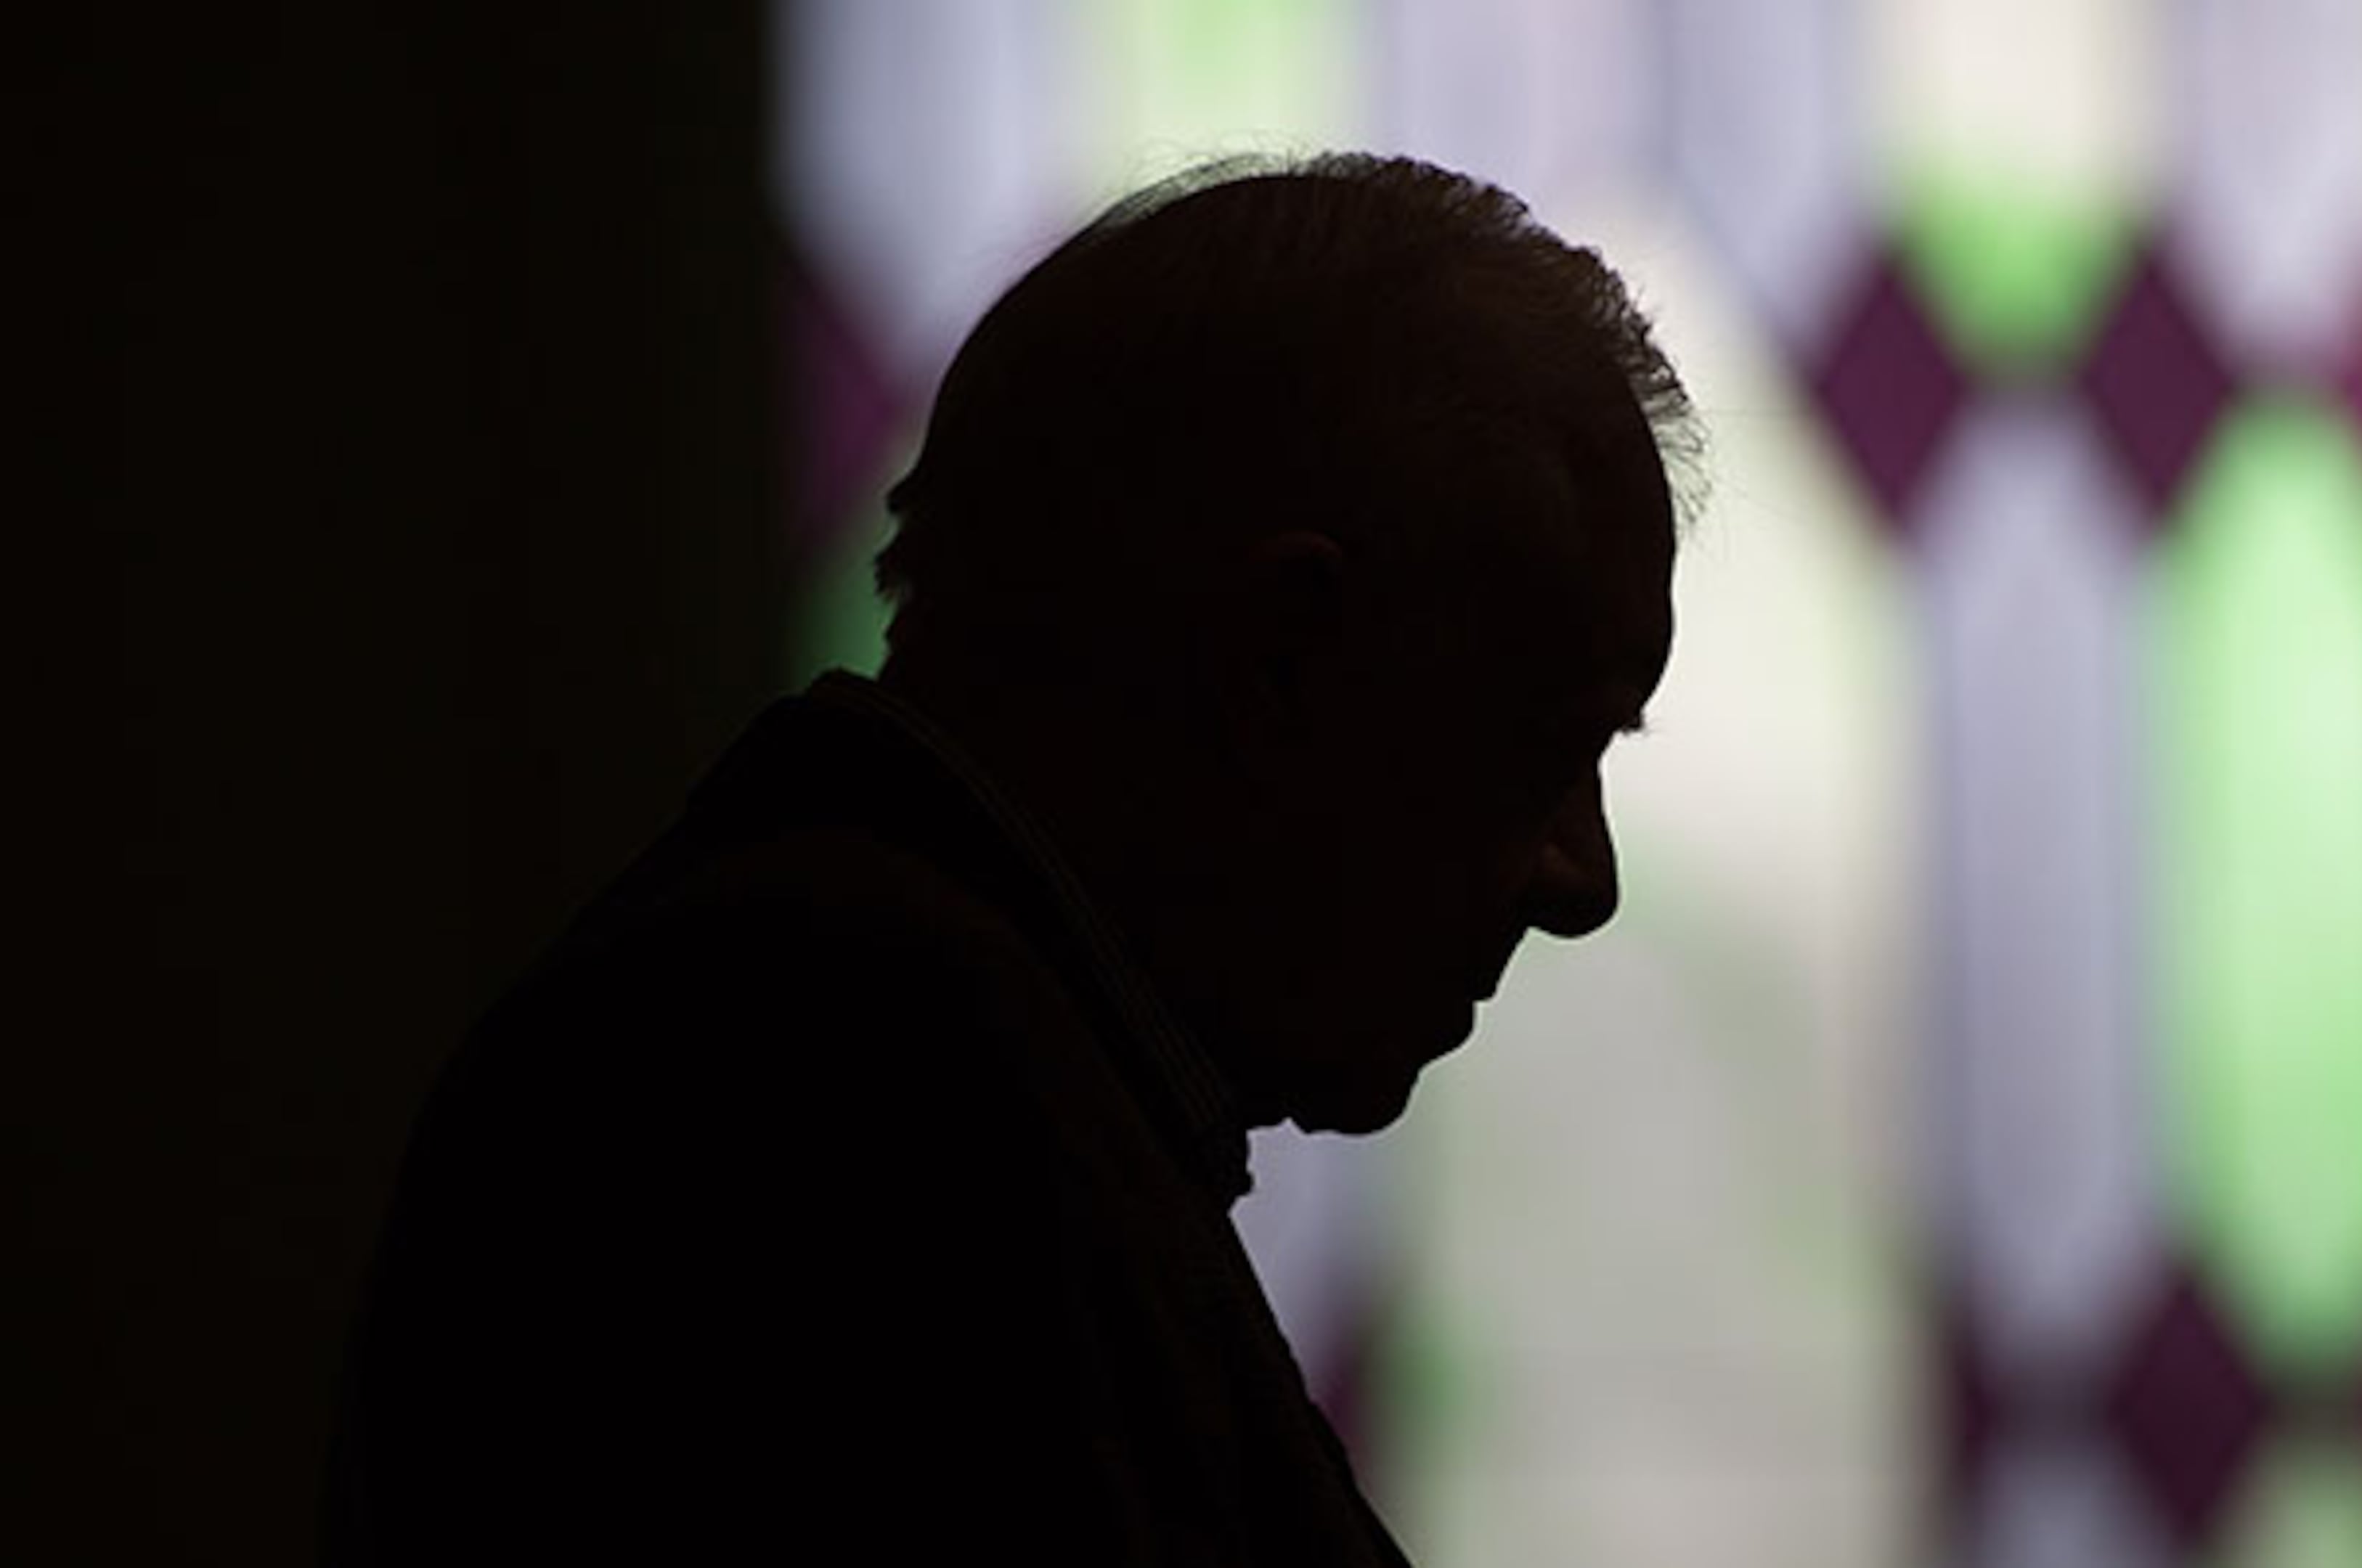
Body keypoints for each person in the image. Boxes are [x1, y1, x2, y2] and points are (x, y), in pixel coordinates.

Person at [322, 151, 1693, 1565]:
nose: (1580, 883)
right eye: (1542, 745)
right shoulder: (852, 1099)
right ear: (1288, 655)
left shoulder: (857, 1042)